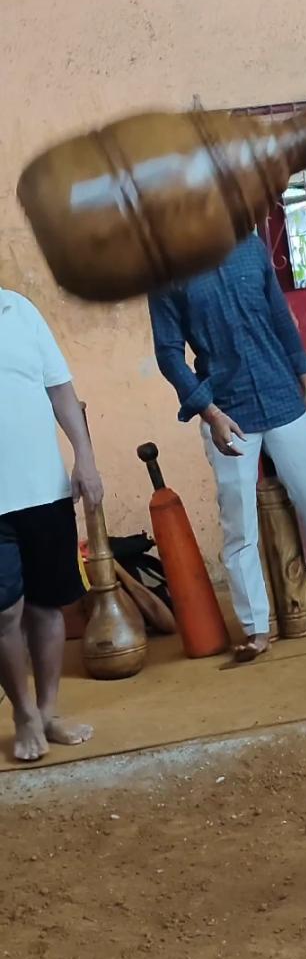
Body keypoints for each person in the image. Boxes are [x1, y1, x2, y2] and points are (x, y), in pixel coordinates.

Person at [148, 233, 306, 662]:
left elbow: (281, 320)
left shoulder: (248, 248)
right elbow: (169, 355)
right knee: (239, 527)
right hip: (227, 411)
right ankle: (255, 628)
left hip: (284, 398)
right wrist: (208, 412)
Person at [0, 288, 100, 761]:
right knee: (4, 612)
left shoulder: (20, 311)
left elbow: (61, 391)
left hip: (44, 489)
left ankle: (47, 711)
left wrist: (85, 459)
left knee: (47, 607)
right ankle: (21, 713)